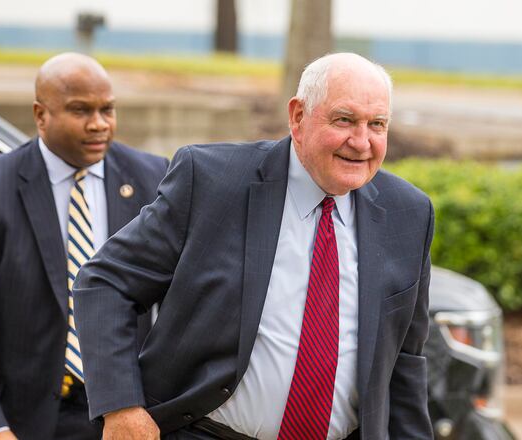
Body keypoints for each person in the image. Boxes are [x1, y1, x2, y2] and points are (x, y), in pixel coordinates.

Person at [73, 52, 435, 440]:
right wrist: (121, 407)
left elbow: (405, 363)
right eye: (344, 120)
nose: (361, 142)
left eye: (376, 124)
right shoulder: (212, 181)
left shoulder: (408, 214)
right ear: (298, 116)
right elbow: (106, 283)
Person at [0, 52, 169, 440]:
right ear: (41, 115)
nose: (99, 124)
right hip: (24, 422)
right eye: (80, 110)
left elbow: (182, 304)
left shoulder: (154, 179)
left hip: (128, 416)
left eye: (107, 109)